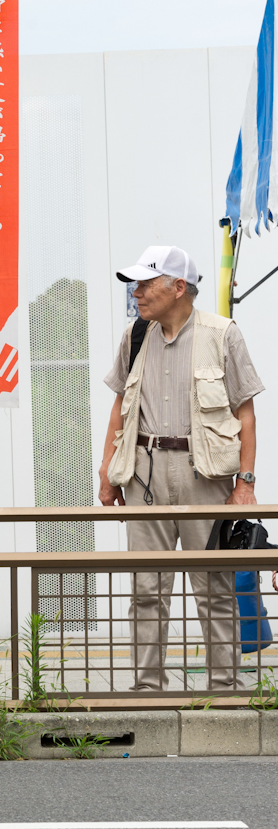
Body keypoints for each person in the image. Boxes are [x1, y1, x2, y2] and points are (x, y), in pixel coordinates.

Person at [98, 245, 263, 692]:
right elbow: (119, 406)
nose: (136, 293)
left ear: (178, 288)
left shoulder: (222, 333)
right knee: (146, 587)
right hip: (142, 475)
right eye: (135, 285)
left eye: (146, 284)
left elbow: (244, 412)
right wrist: (107, 472)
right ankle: (147, 685)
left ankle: (225, 685)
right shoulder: (135, 336)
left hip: (204, 475)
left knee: (214, 586)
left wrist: (245, 483)